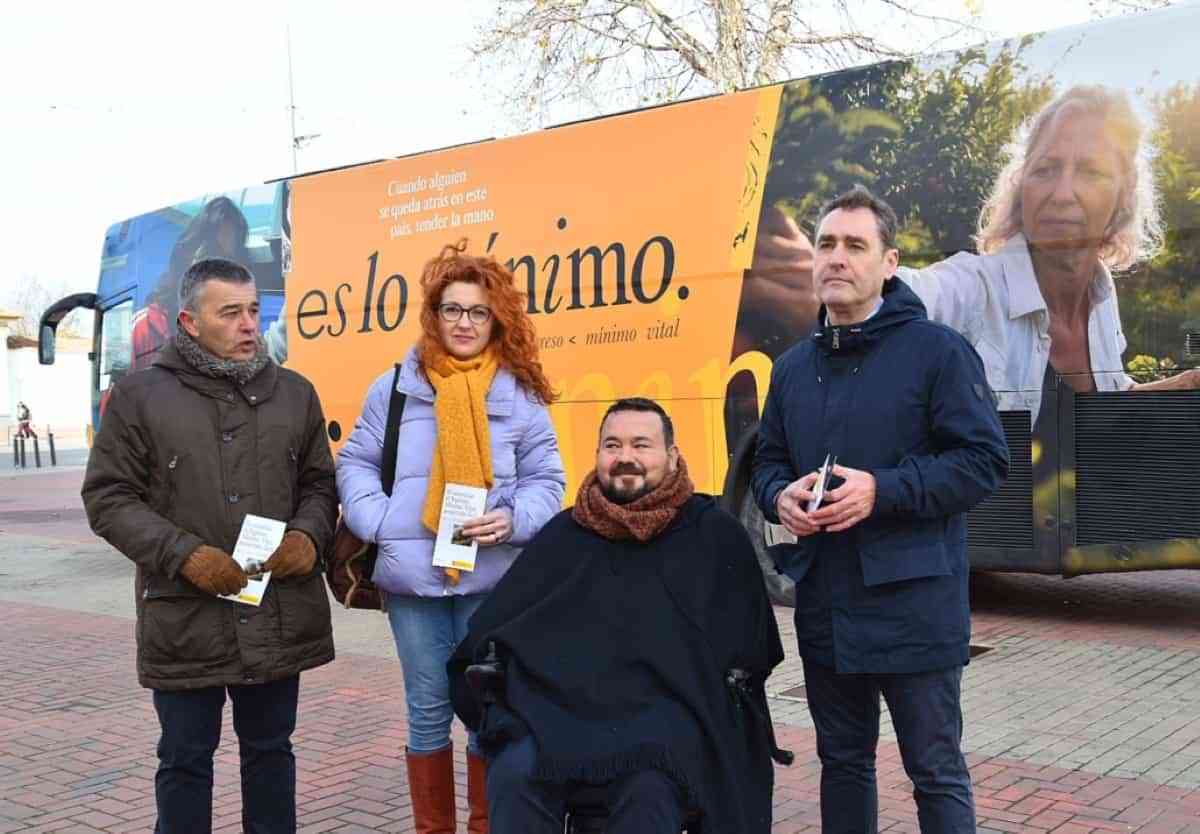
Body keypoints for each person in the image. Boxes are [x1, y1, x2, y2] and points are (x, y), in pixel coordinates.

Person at [751, 186, 1009, 834]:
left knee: (935, 771)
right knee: (842, 764)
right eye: (827, 244)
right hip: (826, 608)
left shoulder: (939, 352)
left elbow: (984, 461)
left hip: (916, 608)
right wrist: (778, 494)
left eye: (855, 245)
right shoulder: (791, 370)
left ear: (889, 263)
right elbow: (767, 464)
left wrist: (882, 490)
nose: (837, 257)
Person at [81, 257, 339, 834]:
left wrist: (309, 535)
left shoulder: (295, 394)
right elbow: (108, 497)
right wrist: (185, 556)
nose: (250, 324)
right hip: (184, 617)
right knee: (184, 759)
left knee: (271, 752)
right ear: (190, 322)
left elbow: (320, 482)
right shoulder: (139, 397)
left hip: (276, 612)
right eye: (231, 313)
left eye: (254, 310)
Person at [449, 397, 787, 834]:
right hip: (557, 710)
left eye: (641, 445)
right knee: (515, 772)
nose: (625, 457)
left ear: (671, 456)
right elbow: (498, 629)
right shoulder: (565, 533)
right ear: (597, 456)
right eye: (613, 445)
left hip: (667, 716)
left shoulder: (713, 536)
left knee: (651, 786)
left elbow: (749, 650)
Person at [336, 240, 565, 834]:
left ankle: (486, 825)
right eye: (452, 309)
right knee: (428, 711)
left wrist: (512, 520)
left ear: (497, 320)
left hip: (493, 582)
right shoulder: (395, 387)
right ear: (433, 316)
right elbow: (355, 462)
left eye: (478, 311)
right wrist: (380, 522)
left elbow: (548, 480)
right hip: (413, 584)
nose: (464, 322)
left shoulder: (520, 393)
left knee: (488, 713)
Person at [898, 85, 1200, 425]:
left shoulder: (1099, 293)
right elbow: (888, 291)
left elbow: (1099, 402)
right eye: (1046, 170)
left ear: (1124, 193)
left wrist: (1186, 384)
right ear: (1022, 183)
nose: (1061, 194)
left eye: (1091, 172)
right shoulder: (974, 289)